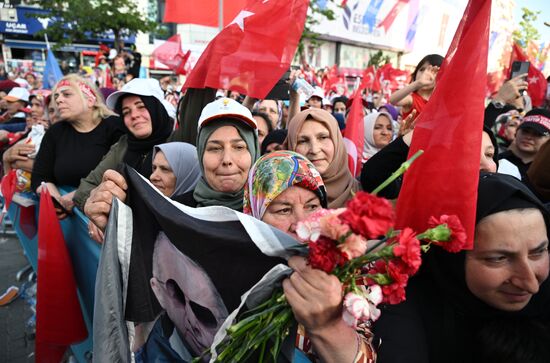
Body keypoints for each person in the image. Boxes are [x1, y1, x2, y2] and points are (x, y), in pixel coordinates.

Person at [373, 172, 550, 363]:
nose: (531, 284)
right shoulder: (404, 311)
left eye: (537, 253)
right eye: (498, 258)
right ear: (452, 257)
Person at [243, 150, 376, 362]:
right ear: (254, 215)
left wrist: (328, 325)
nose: (302, 223)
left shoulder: (347, 270)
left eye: (312, 207)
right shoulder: (236, 268)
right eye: (284, 210)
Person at [75, 78, 175, 231]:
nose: (134, 115)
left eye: (141, 107)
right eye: (126, 112)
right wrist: (95, 208)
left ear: (156, 108)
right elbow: (86, 187)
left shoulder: (177, 144)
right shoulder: (123, 145)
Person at [31, 74, 124, 216]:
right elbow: (41, 176)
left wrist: (76, 197)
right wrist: (56, 201)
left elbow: (121, 173)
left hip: (104, 212)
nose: (58, 100)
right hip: (65, 217)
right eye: (56, 96)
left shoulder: (115, 127)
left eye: (67, 94)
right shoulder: (55, 132)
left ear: (90, 100)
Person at [361, 125, 498, 199]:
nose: (486, 166)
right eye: (469, 156)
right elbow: (374, 175)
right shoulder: (421, 197)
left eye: (489, 154)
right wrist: (421, 132)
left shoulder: (510, 202)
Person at [285, 108, 360, 208]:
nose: (314, 150)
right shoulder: (278, 201)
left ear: (337, 142)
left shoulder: (367, 195)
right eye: (303, 141)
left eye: (323, 137)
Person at [498, 108, 550, 181]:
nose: (529, 137)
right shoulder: (497, 160)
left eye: (538, 134)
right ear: (516, 132)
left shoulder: (545, 172)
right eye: (525, 131)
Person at [389, 54, 443, 120]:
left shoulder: (440, 104)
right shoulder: (412, 99)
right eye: (422, 69)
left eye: (433, 71)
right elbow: (393, 100)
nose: (425, 74)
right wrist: (418, 83)